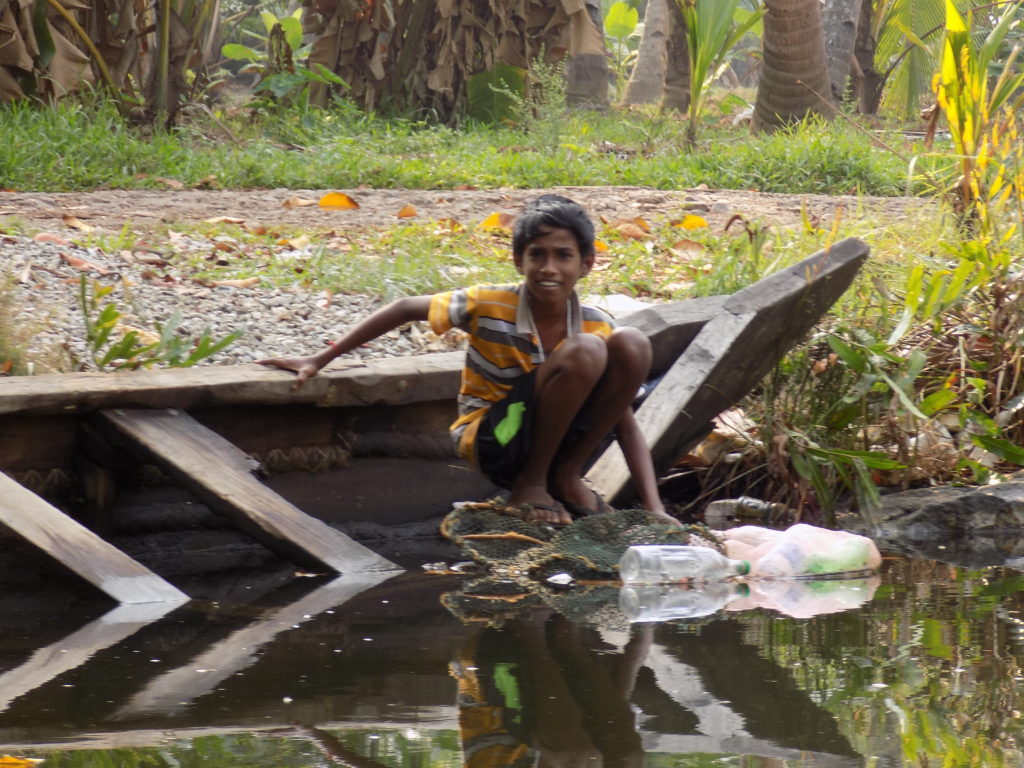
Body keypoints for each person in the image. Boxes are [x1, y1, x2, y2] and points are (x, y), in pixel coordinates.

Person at [258, 194, 672, 525]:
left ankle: (565, 477)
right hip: (498, 439)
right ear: (518, 261)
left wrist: (654, 507)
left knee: (631, 342)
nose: (549, 268)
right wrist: (319, 359)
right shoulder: (489, 304)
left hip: (560, 442)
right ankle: (531, 484)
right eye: (537, 255)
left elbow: (624, 421)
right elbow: (403, 307)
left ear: (586, 264)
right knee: (587, 350)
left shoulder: (595, 324)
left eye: (563, 256)